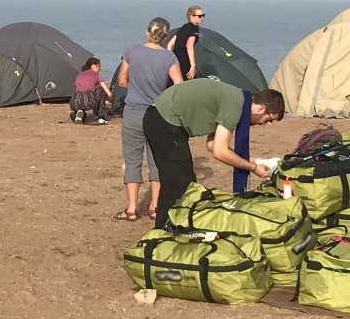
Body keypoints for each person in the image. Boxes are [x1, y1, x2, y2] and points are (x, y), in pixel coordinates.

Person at [143, 79, 286, 229]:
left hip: (161, 118)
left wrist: (253, 162)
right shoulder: (235, 106)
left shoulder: (236, 98)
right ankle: (166, 231)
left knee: (178, 183)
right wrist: (252, 167)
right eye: (268, 120)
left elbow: (212, 145)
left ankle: (166, 228)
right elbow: (219, 151)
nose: (265, 124)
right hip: (164, 120)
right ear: (261, 109)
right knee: (181, 184)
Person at [116, 17, 183, 221]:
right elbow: (179, 86)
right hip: (158, 114)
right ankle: (154, 207)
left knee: (133, 160)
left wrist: (136, 90)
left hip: (134, 113)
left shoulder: (132, 52)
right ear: (165, 36)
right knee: (157, 162)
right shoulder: (169, 58)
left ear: (147, 32)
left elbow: (121, 79)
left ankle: (131, 209)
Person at [69, 57, 112, 125]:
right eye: (99, 66)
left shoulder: (80, 75)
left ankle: (78, 114)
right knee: (101, 90)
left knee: (81, 93)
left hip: (75, 101)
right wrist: (111, 99)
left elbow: (77, 88)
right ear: (93, 66)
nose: (100, 69)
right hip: (88, 100)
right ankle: (101, 117)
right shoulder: (96, 75)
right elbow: (108, 92)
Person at [170, 5, 205, 80]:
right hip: (185, 62)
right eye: (199, 16)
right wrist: (193, 65)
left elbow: (170, 45)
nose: (202, 18)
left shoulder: (182, 28)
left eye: (203, 15)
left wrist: (171, 60)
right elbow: (189, 46)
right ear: (191, 16)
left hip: (176, 61)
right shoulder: (194, 28)